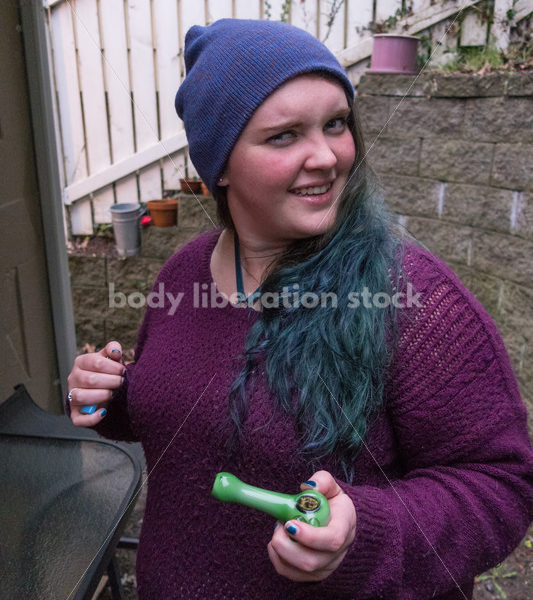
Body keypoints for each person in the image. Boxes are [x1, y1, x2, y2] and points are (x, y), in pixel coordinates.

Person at [66, 18, 533, 600]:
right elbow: (186, 413)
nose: (327, 157)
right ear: (221, 166)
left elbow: (499, 485)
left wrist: (362, 533)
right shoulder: (184, 273)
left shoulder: (414, 299)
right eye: (284, 135)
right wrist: (114, 397)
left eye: (335, 124)